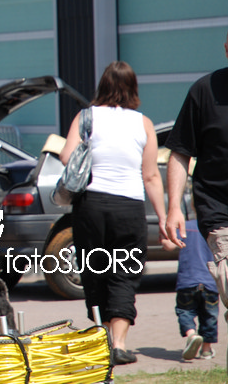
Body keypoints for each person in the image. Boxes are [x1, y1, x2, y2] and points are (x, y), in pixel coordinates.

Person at [164, 18, 228, 382]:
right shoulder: (205, 92)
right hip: (223, 214)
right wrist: (173, 206)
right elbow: (179, 152)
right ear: (225, 52)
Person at [60, 61, 166, 366]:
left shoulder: (86, 117)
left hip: (91, 204)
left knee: (94, 271)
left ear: (102, 86)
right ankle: (119, 344)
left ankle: (102, 339)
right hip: (129, 207)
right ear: (133, 88)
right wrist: (163, 217)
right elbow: (151, 176)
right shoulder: (143, 124)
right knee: (124, 273)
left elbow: (66, 156)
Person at [167, 219, 220, 361]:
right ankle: (206, 350)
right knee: (209, 317)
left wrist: (164, 235)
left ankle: (191, 335)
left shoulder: (185, 227)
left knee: (185, 311)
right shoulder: (215, 227)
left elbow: (169, 245)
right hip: (210, 282)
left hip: (187, 281)